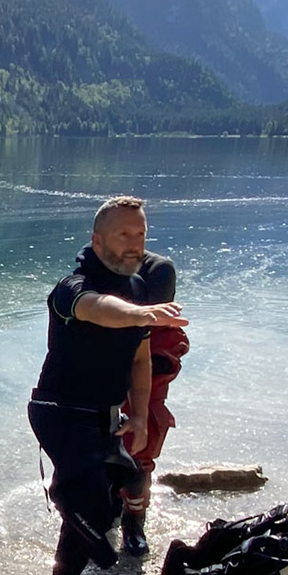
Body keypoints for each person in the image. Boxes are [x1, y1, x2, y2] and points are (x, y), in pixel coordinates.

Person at [30, 196, 191, 575]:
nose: (135, 244)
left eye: (140, 235)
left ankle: (69, 574)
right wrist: (141, 314)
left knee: (111, 486)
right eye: (124, 234)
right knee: (95, 509)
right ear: (97, 239)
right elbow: (98, 309)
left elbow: (141, 359)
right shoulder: (71, 286)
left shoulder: (139, 287)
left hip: (105, 414)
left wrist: (139, 413)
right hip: (58, 412)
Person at [118, 230, 189, 555]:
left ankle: (134, 522)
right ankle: (107, 513)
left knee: (137, 466)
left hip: (144, 411)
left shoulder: (167, 336)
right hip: (107, 405)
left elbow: (165, 362)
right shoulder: (115, 319)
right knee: (100, 463)